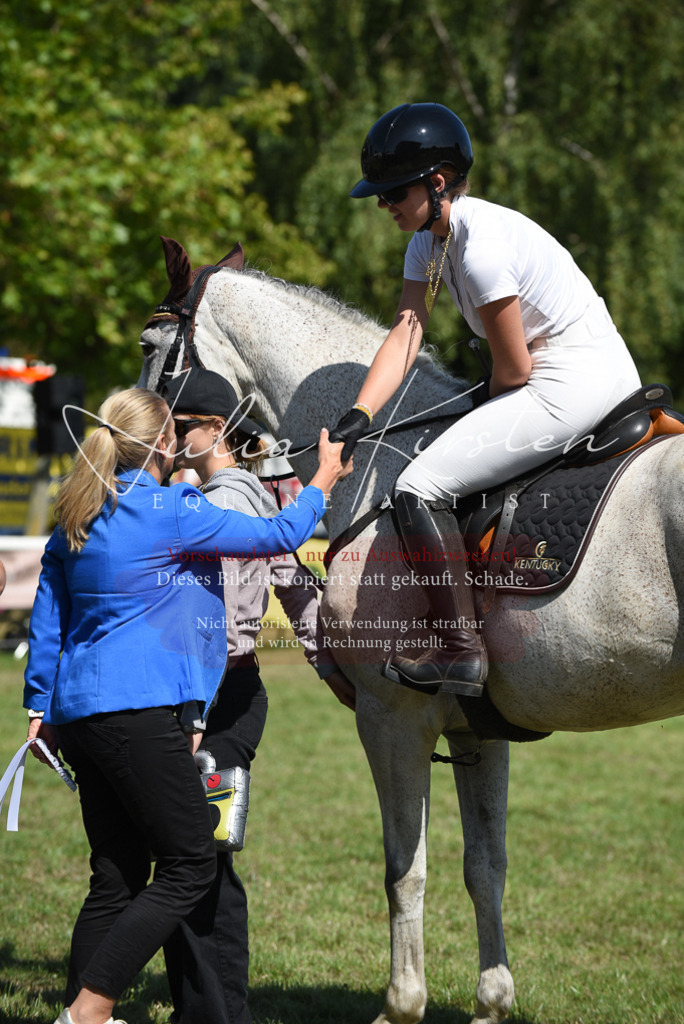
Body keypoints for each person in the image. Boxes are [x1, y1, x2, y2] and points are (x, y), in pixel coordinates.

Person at [22, 387, 351, 1024]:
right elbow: (283, 533)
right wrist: (325, 477)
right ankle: (89, 1010)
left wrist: (40, 705)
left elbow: (49, 613)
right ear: (165, 445)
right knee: (191, 864)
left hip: (79, 714)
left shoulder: (78, 511)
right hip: (138, 715)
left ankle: (80, 1013)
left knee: (115, 877)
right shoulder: (172, 508)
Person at [331, 102, 641, 697]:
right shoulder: (429, 242)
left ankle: (459, 649)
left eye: (394, 191)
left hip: (572, 381)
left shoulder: (481, 245)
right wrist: (360, 414)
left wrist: (485, 403)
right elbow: (407, 331)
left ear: (437, 183)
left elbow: (516, 368)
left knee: (417, 486)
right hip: (559, 374)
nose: (383, 203)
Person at [160, 367, 355, 1024]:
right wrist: (329, 669)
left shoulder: (215, 504)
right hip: (230, 698)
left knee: (201, 862)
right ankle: (211, 1008)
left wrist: (331, 669)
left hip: (217, 704)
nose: (169, 434)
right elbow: (297, 590)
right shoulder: (240, 496)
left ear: (216, 429)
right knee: (200, 859)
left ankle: (216, 1012)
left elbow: (287, 582)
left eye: (180, 425)